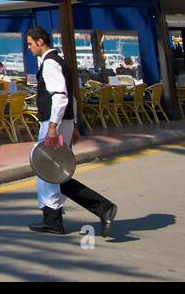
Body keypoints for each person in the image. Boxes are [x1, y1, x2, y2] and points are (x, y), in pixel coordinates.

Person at [25, 26, 117, 237]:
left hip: (53, 122)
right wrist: (73, 124)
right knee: (54, 170)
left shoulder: (49, 63)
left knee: (47, 171)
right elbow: (71, 97)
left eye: (30, 43)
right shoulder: (59, 61)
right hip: (63, 122)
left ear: (40, 42)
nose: (29, 48)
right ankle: (98, 209)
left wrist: (52, 127)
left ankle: (58, 219)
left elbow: (60, 97)